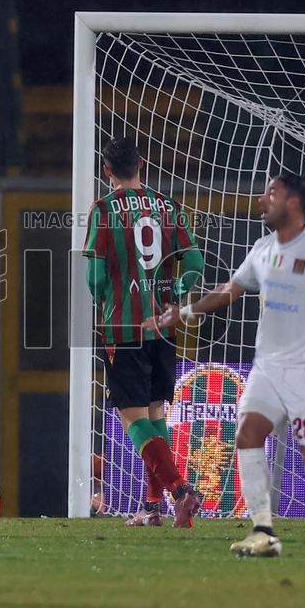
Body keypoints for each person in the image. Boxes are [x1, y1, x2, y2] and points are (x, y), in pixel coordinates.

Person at [146, 171, 305, 556]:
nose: (262, 200)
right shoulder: (263, 249)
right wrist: (183, 312)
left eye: (271, 193)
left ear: (293, 204)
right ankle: (263, 531)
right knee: (247, 434)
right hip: (268, 366)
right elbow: (228, 291)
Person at [83, 137, 205, 528]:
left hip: (122, 326)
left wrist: (107, 300)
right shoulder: (167, 205)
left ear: (106, 171)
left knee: (133, 418)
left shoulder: (102, 210)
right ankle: (152, 508)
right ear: (141, 162)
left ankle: (180, 491)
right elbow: (195, 261)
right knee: (155, 415)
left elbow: (95, 276)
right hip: (163, 326)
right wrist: (176, 294)